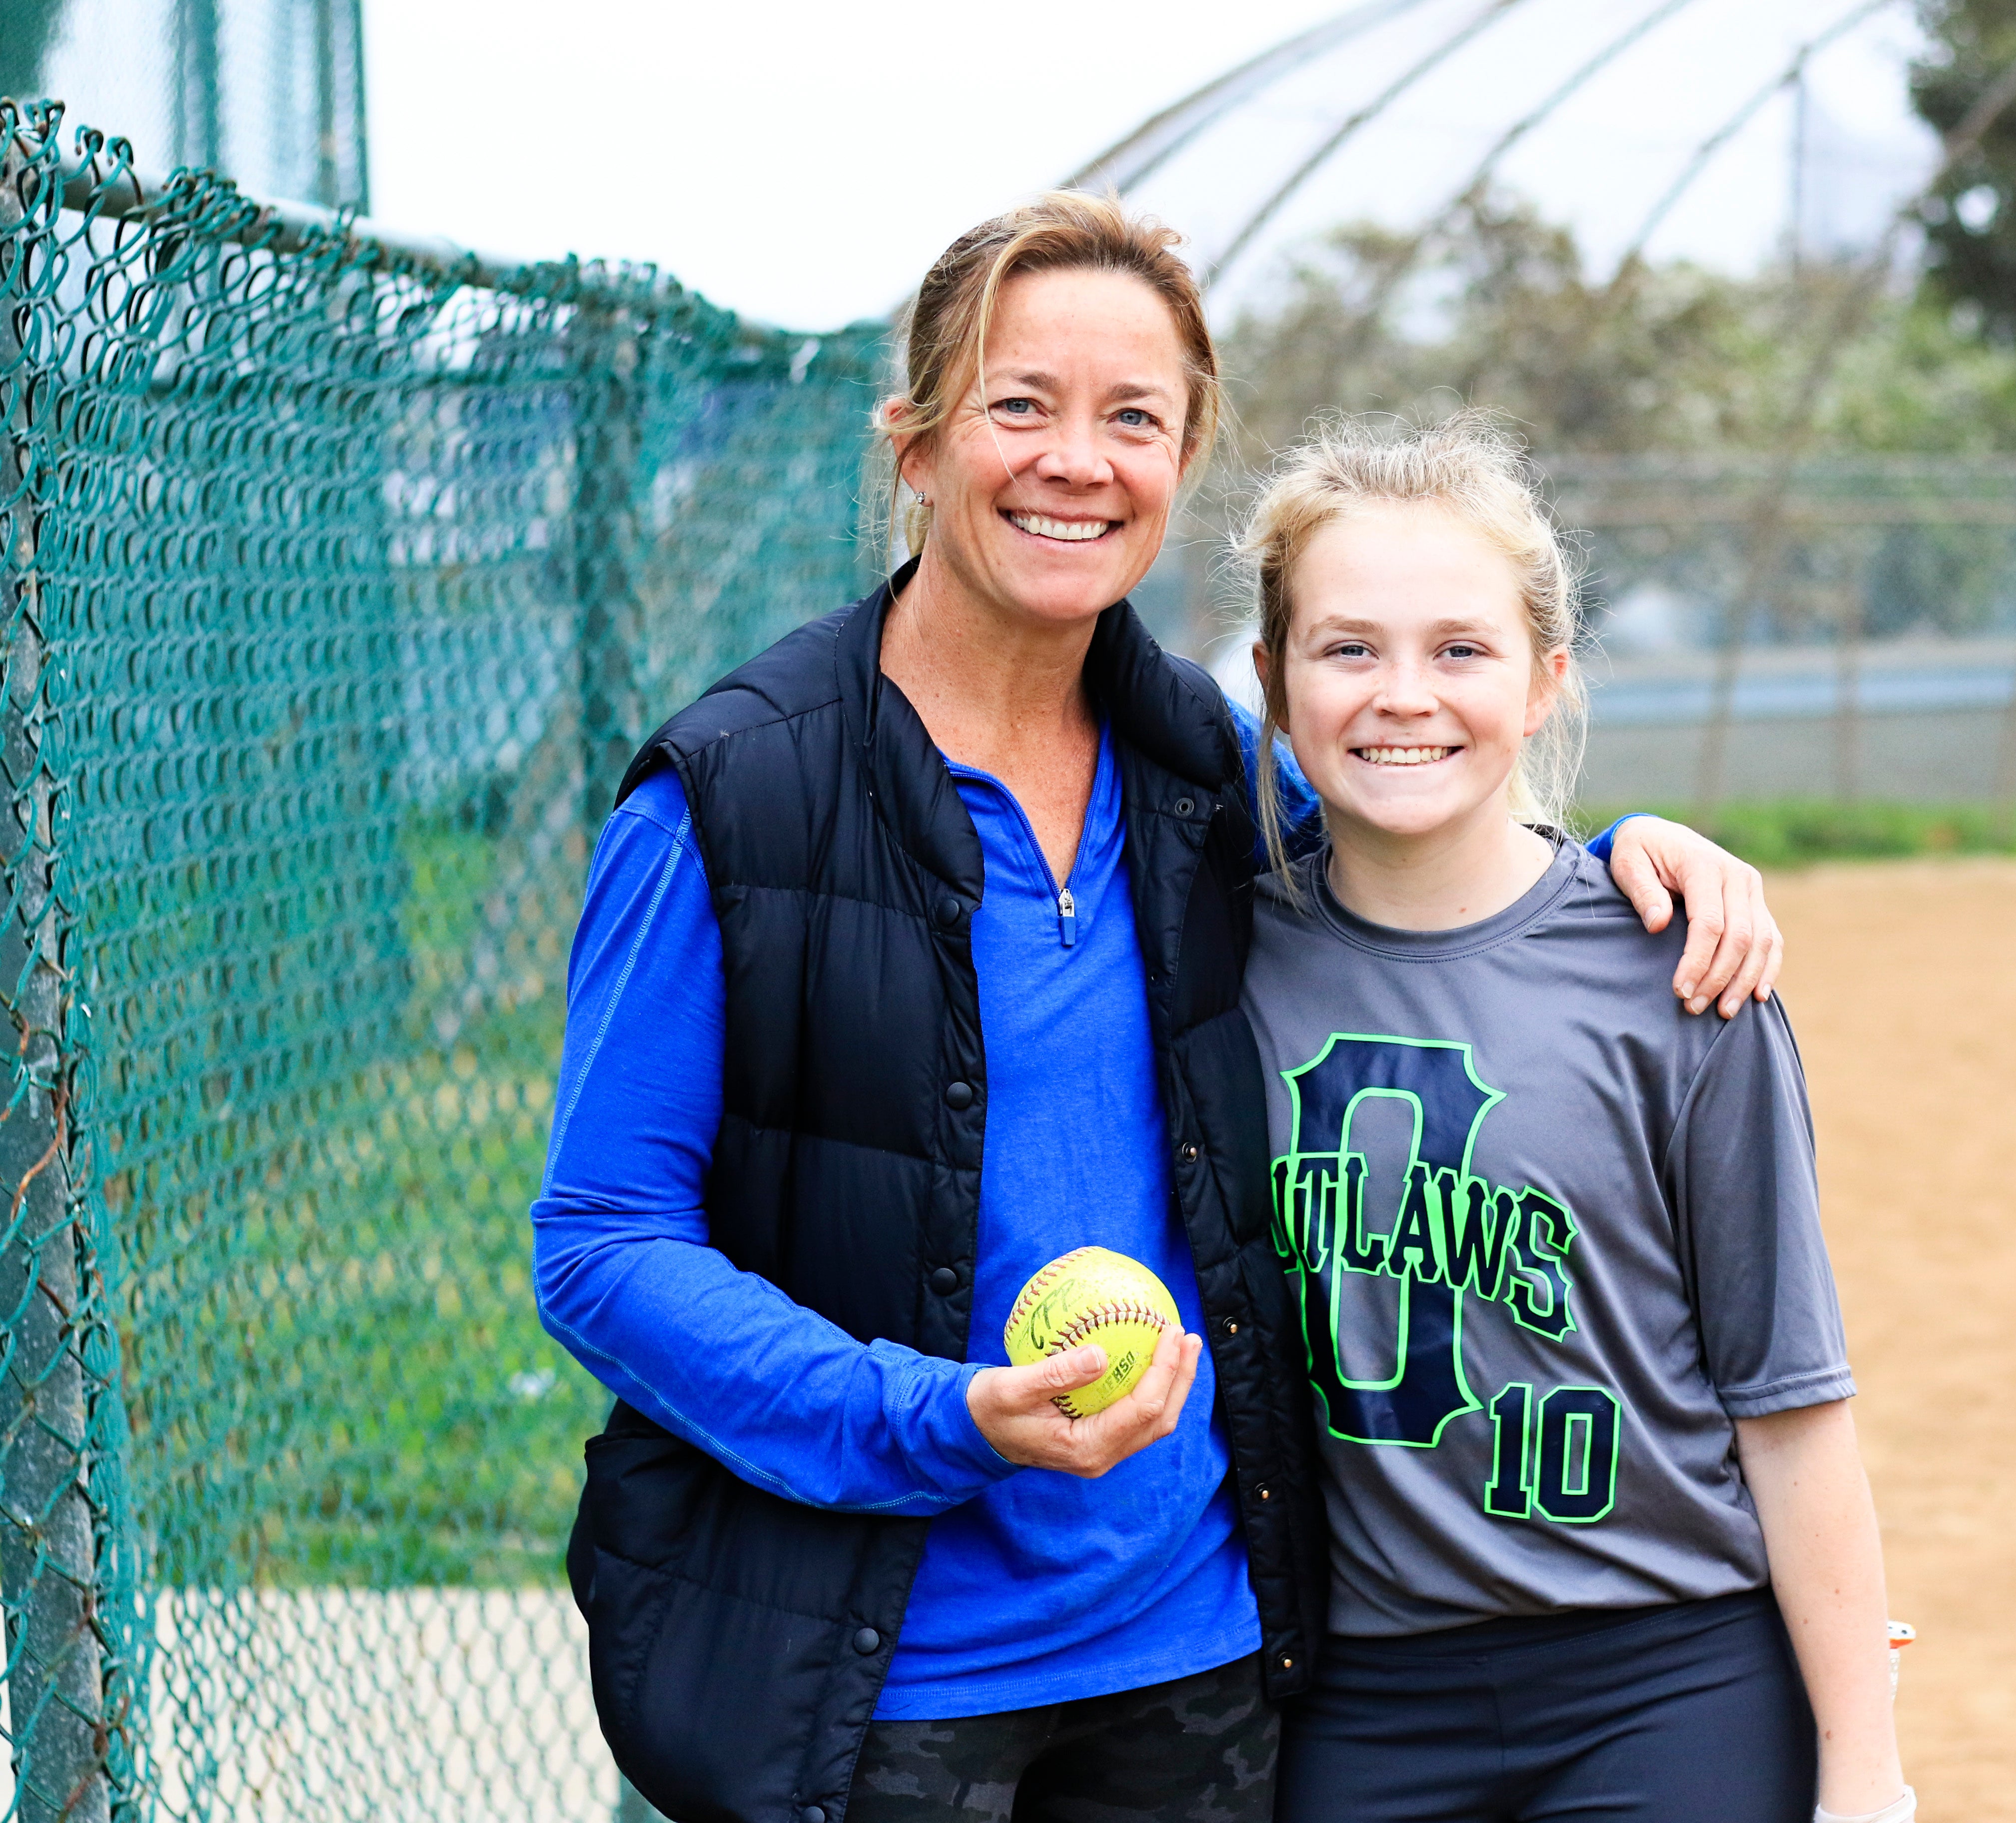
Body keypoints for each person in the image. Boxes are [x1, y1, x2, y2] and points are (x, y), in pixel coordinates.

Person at [532, 192, 1784, 1823]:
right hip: (873, 1677)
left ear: (1182, 464)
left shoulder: (1201, 765)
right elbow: (604, 1246)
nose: (1078, 459)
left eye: (1135, 417)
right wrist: (935, 1416)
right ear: (914, 448)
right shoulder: (731, 797)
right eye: (1020, 405)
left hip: (1194, 1664)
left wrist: (1616, 862)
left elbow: (1428, 855)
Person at [1236, 413, 1911, 1823]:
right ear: (1274, 678)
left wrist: (1865, 1771)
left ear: (1545, 683)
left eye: (1461, 650)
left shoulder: (1681, 969)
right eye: (1348, 648)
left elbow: (1787, 1400)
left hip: (1663, 1677)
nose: (1403, 695)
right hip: (1351, 1699)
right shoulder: (1209, 959)